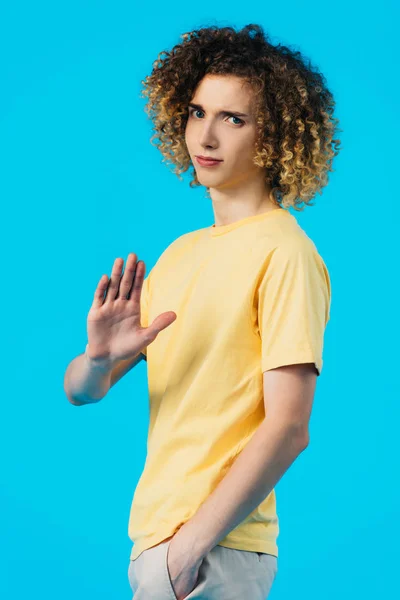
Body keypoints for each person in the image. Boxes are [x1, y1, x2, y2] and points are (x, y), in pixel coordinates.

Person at [64, 23, 341, 600]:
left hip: (216, 549)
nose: (206, 136)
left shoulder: (285, 253)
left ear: (275, 136)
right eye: (196, 113)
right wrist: (98, 357)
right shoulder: (181, 254)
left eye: (232, 119)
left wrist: (191, 550)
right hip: (155, 542)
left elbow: (289, 426)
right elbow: (82, 391)